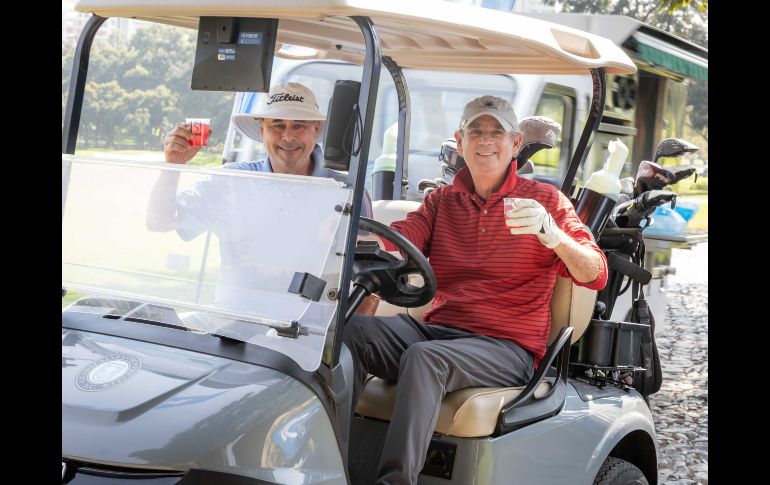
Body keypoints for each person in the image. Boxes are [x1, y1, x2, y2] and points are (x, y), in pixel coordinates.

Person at [343, 95, 608, 485]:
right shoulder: (442, 201)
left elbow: (596, 273)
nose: (486, 140)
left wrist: (552, 235)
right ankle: (329, 463)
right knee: (345, 331)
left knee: (424, 358)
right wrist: (350, 237)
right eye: (476, 131)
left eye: (497, 131)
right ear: (460, 140)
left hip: (507, 347)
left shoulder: (545, 201)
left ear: (516, 143)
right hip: (439, 331)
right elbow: (400, 240)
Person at [146, 81, 376, 314]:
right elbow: (160, 221)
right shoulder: (231, 181)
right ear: (261, 129)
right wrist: (172, 166)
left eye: (299, 126)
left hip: (311, 334)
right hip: (234, 323)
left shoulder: (346, 190)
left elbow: (367, 276)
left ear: (315, 129)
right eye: (277, 125)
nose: (287, 136)